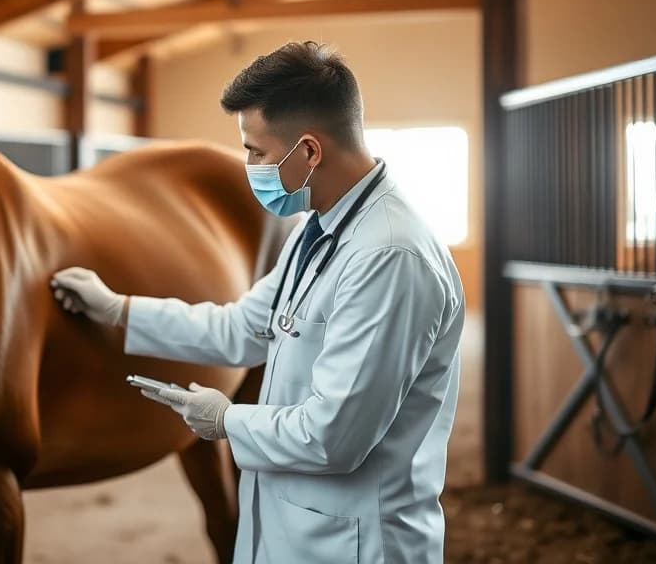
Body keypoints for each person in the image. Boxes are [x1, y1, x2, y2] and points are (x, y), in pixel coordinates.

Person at [50, 41, 463, 563]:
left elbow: (334, 436)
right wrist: (117, 309)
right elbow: (240, 328)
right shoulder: (318, 229)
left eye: (257, 151)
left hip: (355, 545)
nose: (250, 166)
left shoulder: (390, 256)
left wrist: (227, 421)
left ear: (310, 152)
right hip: (294, 530)